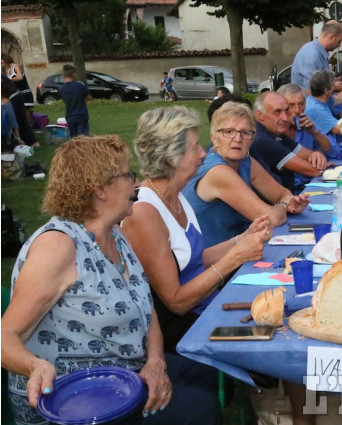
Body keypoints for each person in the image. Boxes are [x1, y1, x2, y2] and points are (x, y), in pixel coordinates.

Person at [1, 135, 222, 425]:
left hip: (124, 376)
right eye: (129, 175)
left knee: (207, 372)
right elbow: (5, 336)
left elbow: (147, 309)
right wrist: (33, 366)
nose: (137, 183)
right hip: (71, 401)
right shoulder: (58, 246)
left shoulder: (115, 234)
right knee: (199, 410)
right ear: (100, 189)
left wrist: (155, 361)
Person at [122, 106, 271, 353]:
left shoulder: (175, 196)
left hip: (207, 306)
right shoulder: (144, 212)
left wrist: (241, 239)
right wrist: (235, 257)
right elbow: (176, 301)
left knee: (279, 309)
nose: (203, 153)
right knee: (274, 333)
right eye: (194, 148)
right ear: (171, 157)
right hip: (185, 327)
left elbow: (192, 259)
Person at [182, 100, 309, 249]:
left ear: (252, 139)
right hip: (212, 263)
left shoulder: (246, 162)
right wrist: (283, 205)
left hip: (241, 252)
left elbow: (284, 193)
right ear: (214, 138)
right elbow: (272, 218)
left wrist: (286, 202)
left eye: (245, 133)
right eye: (228, 132)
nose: (237, 139)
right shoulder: (217, 171)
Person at [250, 91, 329, 193]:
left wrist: (316, 154)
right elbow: (315, 170)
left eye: (286, 111)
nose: (285, 118)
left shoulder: (275, 133)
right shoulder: (261, 139)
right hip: (279, 204)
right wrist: (320, 161)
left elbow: (309, 154)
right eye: (277, 112)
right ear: (260, 115)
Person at [305, 70, 342, 145]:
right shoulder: (315, 109)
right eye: (333, 85)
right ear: (326, 90)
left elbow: (341, 97)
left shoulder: (318, 98)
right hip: (324, 152)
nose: (334, 88)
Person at [291, 20, 342, 92]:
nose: (339, 45)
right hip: (307, 102)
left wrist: (331, 82)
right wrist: (333, 87)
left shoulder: (319, 53)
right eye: (339, 41)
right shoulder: (312, 55)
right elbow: (312, 90)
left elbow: (319, 82)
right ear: (332, 37)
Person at [58, 64, 91, 137]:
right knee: (83, 138)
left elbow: (64, 101)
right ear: (73, 74)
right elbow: (89, 97)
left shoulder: (61, 88)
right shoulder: (79, 85)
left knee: (74, 139)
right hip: (81, 115)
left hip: (70, 116)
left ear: (64, 75)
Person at [1, 53, 34, 125]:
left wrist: (8, 79)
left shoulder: (15, 66)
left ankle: (29, 128)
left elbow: (20, 77)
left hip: (25, 93)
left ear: (6, 60)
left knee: (26, 112)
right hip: (17, 94)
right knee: (19, 113)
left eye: (2, 63)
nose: (2, 65)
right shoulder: (8, 70)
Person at [1, 80, 22, 150]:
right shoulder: (7, 105)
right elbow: (14, 123)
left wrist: (18, 138)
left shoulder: (7, 105)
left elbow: (13, 123)